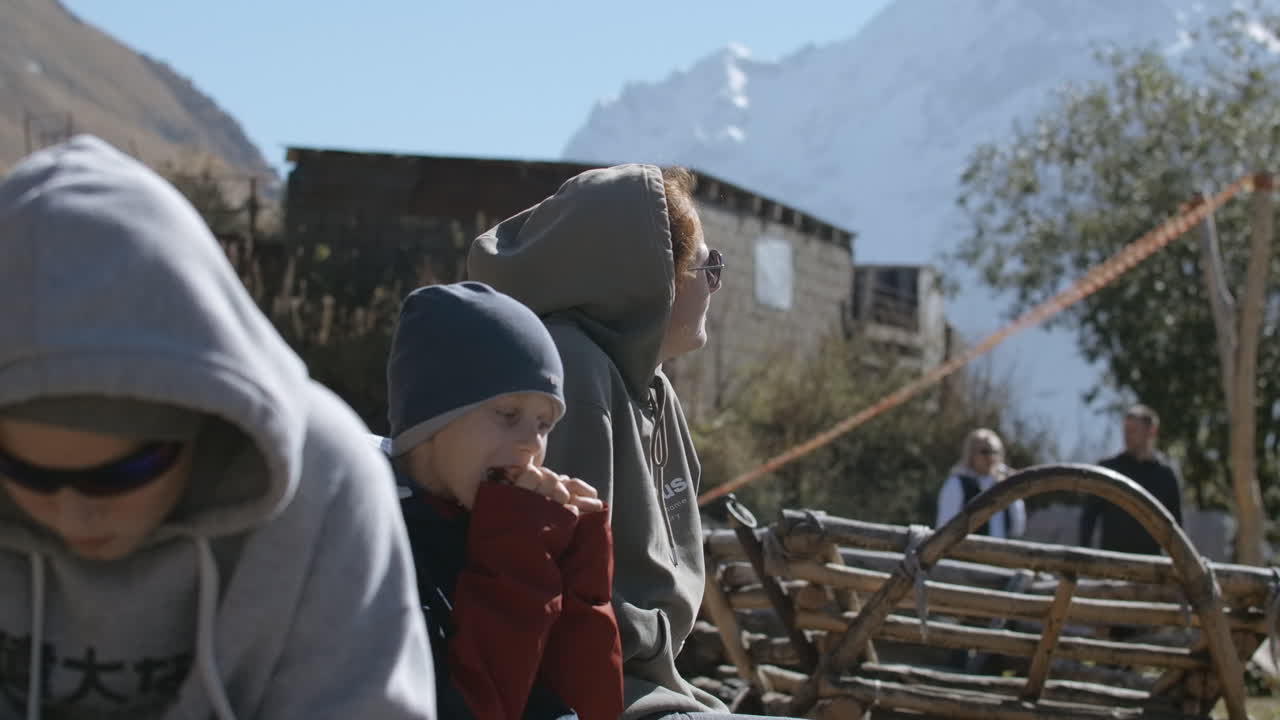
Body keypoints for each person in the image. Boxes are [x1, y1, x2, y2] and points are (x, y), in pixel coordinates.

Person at [0, 136, 436, 720]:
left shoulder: (325, 474)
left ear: (208, 420)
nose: (75, 516)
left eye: (121, 474)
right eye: (25, 473)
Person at [470, 164, 752, 720]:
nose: (716, 283)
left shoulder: (650, 386)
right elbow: (565, 600)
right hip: (592, 693)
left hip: (647, 682)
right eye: (708, 266)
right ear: (653, 277)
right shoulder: (574, 373)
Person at [380, 282, 624, 720]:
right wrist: (519, 556)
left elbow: (592, 707)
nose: (531, 444)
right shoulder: (381, 536)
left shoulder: (495, 519)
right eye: (508, 415)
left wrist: (580, 563)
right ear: (433, 417)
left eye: (545, 424)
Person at [1079, 404, 1183, 555]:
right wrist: (1084, 556)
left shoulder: (1165, 474)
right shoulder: (1108, 469)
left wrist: (1177, 562)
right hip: (1111, 564)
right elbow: (1089, 517)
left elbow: (1176, 526)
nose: (1127, 436)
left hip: (1151, 567)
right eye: (1125, 431)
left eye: (1133, 431)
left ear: (1151, 432)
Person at [935, 428, 1026, 539]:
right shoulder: (957, 483)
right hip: (966, 553)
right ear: (971, 453)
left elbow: (1017, 528)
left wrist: (1013, 488)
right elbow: (944, 528)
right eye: (985, 452)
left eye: (995, 452)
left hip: (999, 553)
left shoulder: (1004, 485)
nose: (991, 457)